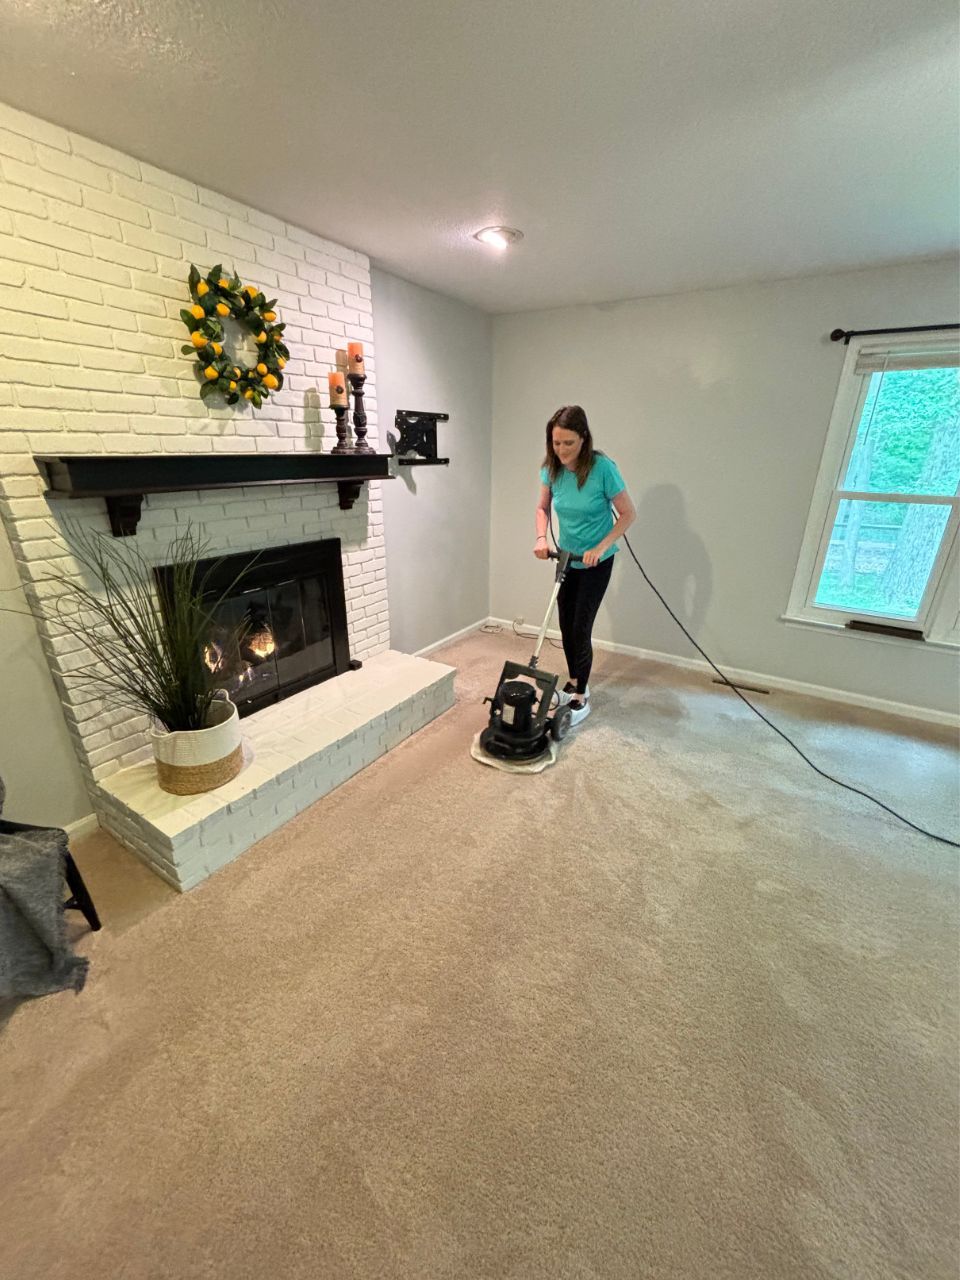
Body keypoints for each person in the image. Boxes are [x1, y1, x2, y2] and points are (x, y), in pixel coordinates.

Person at [534, 405, 636, 726]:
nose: (561, 450)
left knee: (581, 626)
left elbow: (628, 514)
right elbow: (542, 508)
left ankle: (582, 695)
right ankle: (576, 679)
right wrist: (541, 538)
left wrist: (601, 547)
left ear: (584, 439)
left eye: (568, 443)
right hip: (566, 557)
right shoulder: (551, 468)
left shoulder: (603, 468)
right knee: (565, 624)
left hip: (596, 562)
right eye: (556, 442)